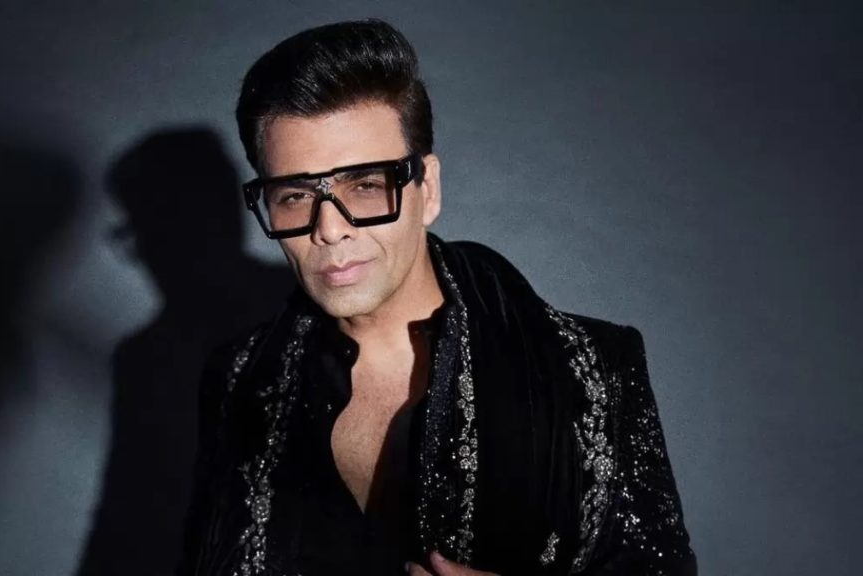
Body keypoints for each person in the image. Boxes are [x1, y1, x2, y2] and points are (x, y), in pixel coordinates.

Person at [178, 19, 696, 576]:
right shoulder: (239, 379)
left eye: (366, 185)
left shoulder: (594, 370)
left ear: (427, 190)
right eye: (295, 196)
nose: (329, 229)